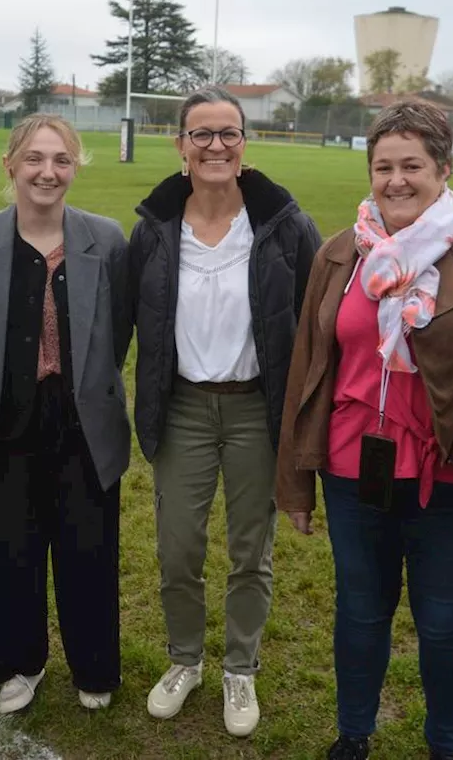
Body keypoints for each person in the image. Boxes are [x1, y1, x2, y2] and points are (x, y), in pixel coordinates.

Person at [275, 98, 453, 760]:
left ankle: (447, 745)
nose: (397, 180)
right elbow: (308, 368)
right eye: (384, 166)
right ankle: (354, 735)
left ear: (444, 167)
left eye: (413, 165)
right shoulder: (340, 253)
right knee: (359, 613)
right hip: (353, 472)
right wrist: (295, 480)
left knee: (443, 625)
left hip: (451, 477)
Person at [128, 85, 321, 737]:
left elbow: (318, 318)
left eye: (228, 133)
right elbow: (130, 318)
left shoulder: (283, 223)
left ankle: (240, 666)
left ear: (245, 143)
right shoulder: (155, 226)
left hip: (254, 411)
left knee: (250, 550)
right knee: (178, 547)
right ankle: (185, 660)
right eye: (201, 134)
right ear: (180, 145)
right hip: (181, 407)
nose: (215, 146)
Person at [0, 114, 131, 714]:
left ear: (75, 167)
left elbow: (119, 333)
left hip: (83, 419)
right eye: (33, 158)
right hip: (10, 417)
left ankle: (94, 663)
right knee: (11, 547)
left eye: (60, 159)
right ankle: (17, 662)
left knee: (88, 545)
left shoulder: (105, 239)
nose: (46, 172)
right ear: (10, 165)